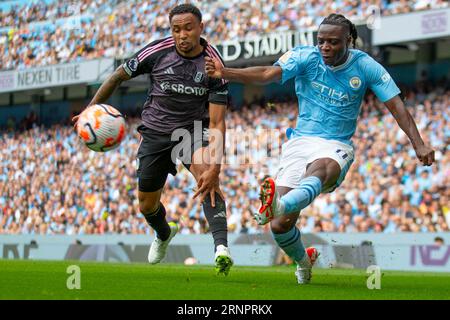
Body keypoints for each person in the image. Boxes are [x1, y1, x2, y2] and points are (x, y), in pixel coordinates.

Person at [205, 13, 435, 284]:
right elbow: (268, 74)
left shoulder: (366, 66)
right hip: (300, 142)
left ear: (348, 40)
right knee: (280, 225)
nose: (325, 47)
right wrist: (225, 72)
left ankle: (278, 204)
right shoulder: (305, 57)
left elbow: (396, 104)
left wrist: (418, 143)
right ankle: (304, 260)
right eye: (321, 41)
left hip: (336, 144)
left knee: (322, 167)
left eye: (333, 42)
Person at [73, 4, 233, 275]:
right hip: (155, 133)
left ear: (201, 28)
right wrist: (90, 108)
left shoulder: (213, 63)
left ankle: (221, 249)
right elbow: (117, 76)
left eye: (188, 28)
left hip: (190, 131)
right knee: (146, 205)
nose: (182, 35)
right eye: (176, 29)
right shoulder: (157, 51)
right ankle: (163, 233)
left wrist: (216, 167)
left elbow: (217, 122)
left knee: (208, 177)